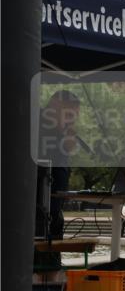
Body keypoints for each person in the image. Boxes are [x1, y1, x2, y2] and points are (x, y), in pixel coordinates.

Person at [36, 90, 81, 240]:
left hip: (53, 209)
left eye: (74, 117)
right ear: (54, 108)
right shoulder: (38, 129)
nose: (72, 123)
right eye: (69, 116)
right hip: (39, 211)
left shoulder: (59, 133)